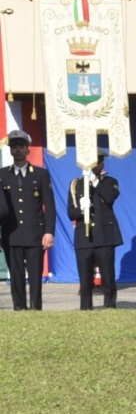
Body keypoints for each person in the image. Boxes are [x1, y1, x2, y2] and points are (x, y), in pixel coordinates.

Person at [2, 131, 53, 311]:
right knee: (16, 276)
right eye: (14, 147)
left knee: (35, 275)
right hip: (12, 234)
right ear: (10, 150)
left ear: (28, 149)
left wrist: (49, 232)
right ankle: (19, 308)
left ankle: (36, 308)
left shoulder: (40, 174)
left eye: (21, 146)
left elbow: (50, 206)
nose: (18, 150)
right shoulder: (2, 175)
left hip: (35, 234)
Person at [66, 154, 121, 310]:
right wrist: (81, 210)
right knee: (85, 277)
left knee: (107, 275)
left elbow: (109, 197)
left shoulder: (110, 182)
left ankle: (110, 306)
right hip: (84, 236)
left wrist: (94, 180)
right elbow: (71, 213)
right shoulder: (75, 184)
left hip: (104, 235)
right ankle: (85, 307)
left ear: (102, 164)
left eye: (97, 162)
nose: (94, 165)